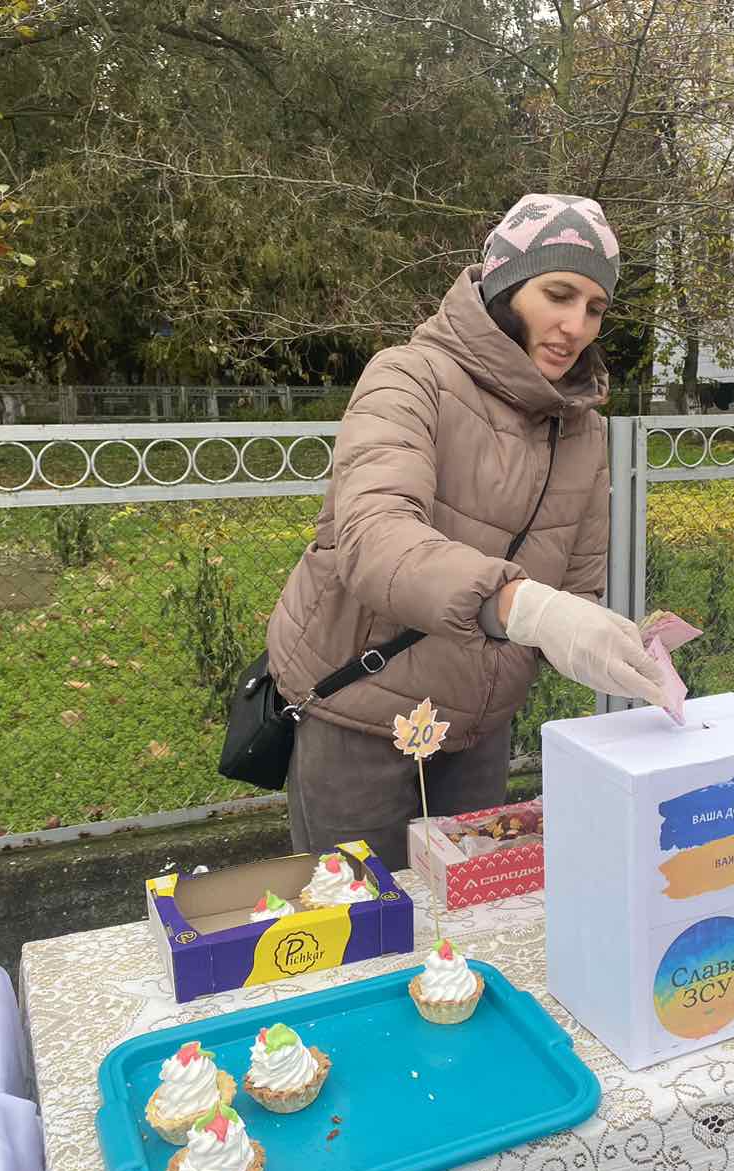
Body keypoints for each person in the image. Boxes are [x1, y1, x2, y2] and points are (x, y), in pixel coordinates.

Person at [264, 194, 669, 868]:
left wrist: (607, 639)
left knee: (468, 934)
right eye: (559, 293)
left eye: (595, 308)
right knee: (367, 928)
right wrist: (529, 607)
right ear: (508, 286)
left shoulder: (583, 430)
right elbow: (372, 537)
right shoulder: (407, 376)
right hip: (360, 713)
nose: (576, 325)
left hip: (478, 731)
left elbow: (575, 585)